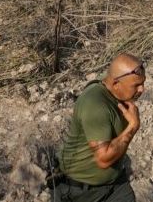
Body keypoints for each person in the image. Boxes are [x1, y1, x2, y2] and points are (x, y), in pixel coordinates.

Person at [53, 53, 146, 201]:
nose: (142, 89)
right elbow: (103, 159)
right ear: (116, 84)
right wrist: (133, 126)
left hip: (114, 186)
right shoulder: (96, 106)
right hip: (80, 191)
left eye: (142, 83)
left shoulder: (114, 83)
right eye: (136, 85)